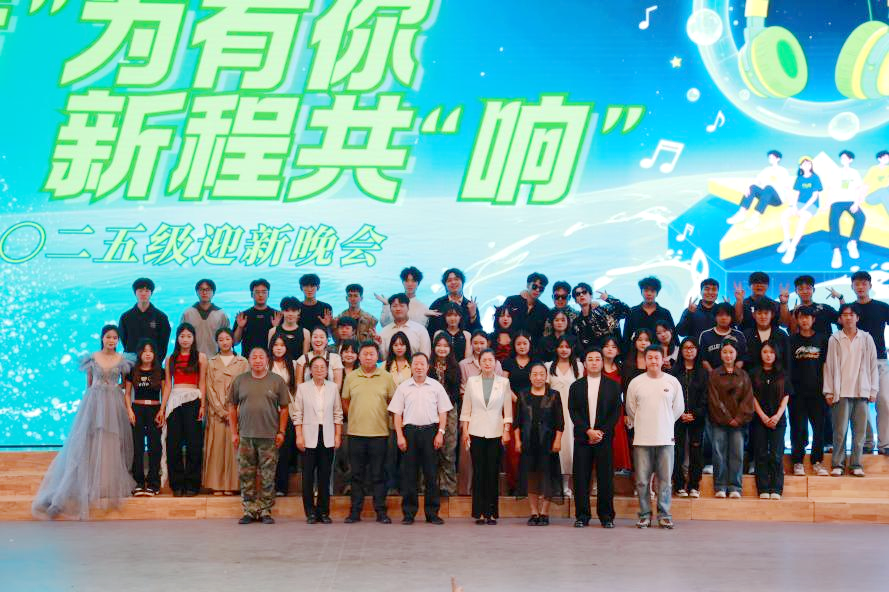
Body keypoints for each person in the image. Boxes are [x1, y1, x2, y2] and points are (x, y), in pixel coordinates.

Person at [33, 325, 136, 519]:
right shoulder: (92, 358)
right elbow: (89, 385)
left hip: (114, 404)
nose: (111, 340)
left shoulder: (123, 360)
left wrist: (121, 399)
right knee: (90, 441)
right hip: (94, 403)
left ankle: (106, 484)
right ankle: (88, 484)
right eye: (108, 337)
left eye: (115, 337)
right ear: (102, 338)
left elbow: (125, 385)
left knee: (111, 441)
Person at [229, 347, 290, 524]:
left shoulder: (277, 381)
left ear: (267, 360)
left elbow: (284, 408)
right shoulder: (240, 380)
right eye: (254, 357)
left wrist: (281, 431)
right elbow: (232, 407)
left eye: (261, 357)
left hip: (269, 436)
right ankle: (249, 510)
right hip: (245, 436)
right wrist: (234, 433)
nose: (257, 360)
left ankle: (265, 510)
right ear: (248, 360)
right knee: (246, 475)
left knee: (268, 476)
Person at [389, 353, 452, 524]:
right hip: (409, 432)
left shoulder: (436, 386)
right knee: (409, 474)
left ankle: (432, 513)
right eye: (415, 364)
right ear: (411, 366)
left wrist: (440, 432)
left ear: (428, 366)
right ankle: (409, 513)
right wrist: (400, 435)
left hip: (430, 432)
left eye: (422, 364)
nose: (418, 367)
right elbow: (397, 413)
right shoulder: (403, 387)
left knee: (431, 474)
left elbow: (443, 411)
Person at [626, 346, 684, 529]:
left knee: (665, 480)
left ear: (662, 360)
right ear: (645, 360)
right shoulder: (636, 382)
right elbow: (631, 409)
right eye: (649, 357)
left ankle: (664, 515)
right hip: (642, 439)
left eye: (656, 357)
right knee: (642, 481)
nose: (653, 361)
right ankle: (644, 515)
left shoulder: (672, 382)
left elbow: (678, 408)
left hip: (666, 439)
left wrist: (665, 422)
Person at [342, 343, 397, 523]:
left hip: (379, 434)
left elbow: (393, 402)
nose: (368, 357)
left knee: (378, 474)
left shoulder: (386, 377)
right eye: (365, 354)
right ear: (359, 356)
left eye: (371, 354)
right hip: (356, 433)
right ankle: (355, 512)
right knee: (356, 475)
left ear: (377, 357)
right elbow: (345, 401)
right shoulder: (351, 377)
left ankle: (381, 511)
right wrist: (355, 415)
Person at [569, 349, 621, 528]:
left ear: (602, 362)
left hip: (604, 438)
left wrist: (600, 432)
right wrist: (587, 431)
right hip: (582, 438)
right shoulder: (576, 386)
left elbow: (615, 412)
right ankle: (582, 515)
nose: (593, 362)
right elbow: (573, 411)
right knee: (581, 477)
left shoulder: (613, 386)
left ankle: (606, 516)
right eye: (590, 359)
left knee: (605, 478)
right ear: (584, 363)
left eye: (597, 359)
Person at [825, 304, 879, 476]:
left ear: (857, 318)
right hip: (841, 392)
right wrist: (829, 391)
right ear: (840, 319)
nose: (848, 317)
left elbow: (873, 366)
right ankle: (838, 464)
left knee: (860, 432)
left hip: (861, 391)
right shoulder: (835, 338)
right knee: (840, 431)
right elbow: (829, 366)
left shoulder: (866, 338)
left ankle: (856, 464)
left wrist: (873, 390)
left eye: (852, 314)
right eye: (845, 315)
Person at [461, 349, 513, 525]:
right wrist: (465, 430)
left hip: (496, 432)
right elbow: (466, 408)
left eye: (491, 360)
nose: (487, 363)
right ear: (479, 363)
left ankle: (491, 513)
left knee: (492, 472)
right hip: (475, 431)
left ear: (495, 363)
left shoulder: (503, 382)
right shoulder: (472, 381)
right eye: (484, 360)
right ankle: (479, 513)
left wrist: (506, 429)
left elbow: (508, 410)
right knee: (479, 472)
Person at [294, 356, 343, 523]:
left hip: (327, 435)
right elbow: (298, 414)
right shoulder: (303, 388)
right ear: (310, 370)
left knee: (324, 476)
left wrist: (337, 435)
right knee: (308, 476)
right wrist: (299, 435)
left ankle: (323, 512)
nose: (319, 370)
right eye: (316, 367)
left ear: (327, 370)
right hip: (308, 435)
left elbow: (338, 413)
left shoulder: (333, 387)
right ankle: (310, 512)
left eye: (323, 367)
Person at [160, 323, 207, 497]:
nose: (185, 339)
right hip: (174, 402)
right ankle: (177, 484)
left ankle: (193, 484)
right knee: (174, 444)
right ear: (177, 338)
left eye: (189, 336)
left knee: (194, 444)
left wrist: (203, 405)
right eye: (182, 336)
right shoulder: (170, 358)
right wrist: (162, 409)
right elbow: (167, 386)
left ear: (193, 338)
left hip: (193, 400)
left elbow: (202, 383)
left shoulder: (201, 357)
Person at [515, 362, 565, 526]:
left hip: (548, 442)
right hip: (528, 442)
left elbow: (560, 422)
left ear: (546, 376)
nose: (538, 377)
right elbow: (517, 421)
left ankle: (544, 513)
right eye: (535, 374)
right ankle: (534, 512)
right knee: (531, 477)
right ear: (530, 377)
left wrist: (558, 440)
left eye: (541, 374)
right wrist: (517, 440)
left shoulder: (554, 395)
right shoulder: (523, 394)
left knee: (547, 476)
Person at [457, 330, 505, 495]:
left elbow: (500, 388)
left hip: (492, 415)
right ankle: (466, 489)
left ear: (487, 344)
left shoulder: (496, 364)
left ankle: (489, 492)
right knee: (468, 453)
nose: (478, 346)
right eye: (475, 343)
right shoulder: (464, 364)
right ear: (471, 344)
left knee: (491, 458)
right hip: (471, 411)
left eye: (482, 343)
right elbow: (463, 390)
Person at [203, 328, 248, 494]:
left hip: (236, 412)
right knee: (216, 449)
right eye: (221, 339)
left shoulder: (242, 362)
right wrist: (221, 411)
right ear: (217, 342)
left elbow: (245, 387)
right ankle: (216, 485)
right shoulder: (211, 362)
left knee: (233, 449)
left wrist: (234, 411)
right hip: (217, 414)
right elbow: (209, 388)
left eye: (227, 338)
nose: (224, 342)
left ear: (233, 341)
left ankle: (232, 485)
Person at [707, 340, 754, 498]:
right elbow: (714, 400)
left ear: (736, 354)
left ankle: (735, 487)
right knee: (718, 453)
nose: (728, 355)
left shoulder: (743, 375)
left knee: (737, 454)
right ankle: (720, 486)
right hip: (719, 421)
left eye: (731, 352)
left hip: (738, 423)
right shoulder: (714, 374)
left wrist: (738, 418)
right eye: (725, 352)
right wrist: (728, 418)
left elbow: (747, 399)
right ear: (720, 354)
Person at [850, 271, 889, 456]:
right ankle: (866, 442)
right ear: (852, 287)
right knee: (860, 404)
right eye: (857, 284)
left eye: (864, 283)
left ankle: (885, 443)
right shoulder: (850, 309)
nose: (860, 287)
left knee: (885, 402)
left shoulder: (882, 307)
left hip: (880, 360)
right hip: (856, 362)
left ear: (870, 286)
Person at [789, 306, 830, 477]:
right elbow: (788, 367)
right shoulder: (791, 340)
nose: (804, 320)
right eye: (801, 317)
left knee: (819, 428)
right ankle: (797, 461)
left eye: (808, 317)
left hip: (818, 393)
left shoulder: (822, 339)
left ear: (813, 320)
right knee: (798, 428)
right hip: (796, 393)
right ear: (797, 320)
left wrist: (828, 390)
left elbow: (827, 366)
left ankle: (817, 461)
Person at [750, 341, 789, 499]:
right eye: (765, 352)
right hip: (759, 419)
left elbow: (786, 395)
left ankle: (776, 489)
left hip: (778, 420)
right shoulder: (754, 373)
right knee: (760, 454)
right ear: (760, 353)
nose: (768, 355)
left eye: (771, 352)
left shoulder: (782, 373)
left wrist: (777, 415)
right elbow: (752, 396)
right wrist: (763, 416)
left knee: (776, 455)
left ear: (776, 354)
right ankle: (763, 488)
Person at [125, 339, 164, 496]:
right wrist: (129, 410)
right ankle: (139, 483)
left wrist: (162, 410)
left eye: (151, 351)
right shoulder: (132, 371)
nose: (148, 354)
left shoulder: (160, 371)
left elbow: (165, 392)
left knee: (155, 447)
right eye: (144, 351)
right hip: (137, 410)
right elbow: (127, 394)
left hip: (155, 410)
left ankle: (153, 483)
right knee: (138, 447)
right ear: (139, 353)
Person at [545, 336, 583, 492]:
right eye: (561, 346)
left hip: (573, 412)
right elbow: (545, 392)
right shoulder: (548, 366)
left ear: (572, 348)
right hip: (553, 413)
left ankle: (567, 486)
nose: (564, 349)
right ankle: (554, 486)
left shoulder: (579, 366)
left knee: (570, 448)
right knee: (554, 447)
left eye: (567, 346)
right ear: (556, 348)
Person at [670, 338, 708, 498]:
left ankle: (694, 485)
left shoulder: (703, 372)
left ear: (697, 350)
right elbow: (670, 396)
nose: (689, 351)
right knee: (677, 451)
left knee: (696, 452)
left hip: (697, 418)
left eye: (692, 348)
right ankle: (678, 485)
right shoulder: (674, 372)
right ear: (681, 351)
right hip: (677, 417)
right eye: (686, 348)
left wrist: (694, 414)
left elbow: (706, 397)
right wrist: (679, 413)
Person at [429, 334, 461, 497]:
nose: (442, 349)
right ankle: (430, 485)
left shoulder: (455, 367)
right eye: (439, 345)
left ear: (450, 348)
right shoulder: (428, 367)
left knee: (448, 450)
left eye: (445, 346)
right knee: (430, 450)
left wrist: (444, 405)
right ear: (434, 347)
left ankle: (448, 487)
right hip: (429, 411)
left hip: (449, 411)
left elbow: (456, 393)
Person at [726, 149, 791, 227]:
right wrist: (748, 187)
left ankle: (755, 218)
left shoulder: (783, 171)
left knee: (769, 187)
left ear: (778, 159)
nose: (770, 159)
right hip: (766, 196)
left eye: (773, 158)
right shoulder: (766, 170)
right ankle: (741, 214)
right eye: (769, 158)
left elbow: (787, 187)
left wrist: (791, 204)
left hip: (777, 199)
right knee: (752, 187)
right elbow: (756, 181)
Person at [269, 333, 298, 497]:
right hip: (269, 409)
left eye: (282, 345)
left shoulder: (293, 364)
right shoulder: (266, 363)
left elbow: (296, 388)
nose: (279, 348)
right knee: (269, 449)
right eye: (276, 345)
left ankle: (281, 487)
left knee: (285, 448)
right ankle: (267, 486)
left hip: (288, 409)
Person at [383, 331, 412, 494]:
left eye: (402, 344)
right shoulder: (384, 366)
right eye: (395, 344)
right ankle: (391, 486)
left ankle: (406, 487)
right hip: (390, 416)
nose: (399, 347)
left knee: (407, 454)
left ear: (407, 346)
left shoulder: (413, 365)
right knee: (391, 453)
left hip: (409, 416)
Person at [119, 277, 171, 361]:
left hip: (153, 361)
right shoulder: (126, 317)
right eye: (140, 291)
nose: (143, 294)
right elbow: (124, 340)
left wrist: (157, 361)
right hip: (131, 361)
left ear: (151, 293)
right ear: (135, 293)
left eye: (147, 291)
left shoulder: (161, 317)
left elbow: (163, 343)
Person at [829, 150, 865, 269]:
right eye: (841, 158)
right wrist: (829, 202)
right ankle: (837, 251)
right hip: (837, 201)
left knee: (861, 217)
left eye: (845, 158)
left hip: (851, 201)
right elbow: (832, 189)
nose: (843, 160)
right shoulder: (836, 172)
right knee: (833, 220)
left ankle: (852, 242)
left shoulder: (855, 173)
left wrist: (856, 203)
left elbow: (858, 189)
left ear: (851, 160)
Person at [602, 337, 633, 475]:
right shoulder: (595, 366)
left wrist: (626, 413)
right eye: (607, 346)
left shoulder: (622, 368)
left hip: (616, 409)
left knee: (616, 439)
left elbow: (626, 391)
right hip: (598, 408)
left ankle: (615, 471)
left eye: (613, 347)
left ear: (618, 351)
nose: (610, 349)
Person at [333, 339, 359, 494]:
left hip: (355, 420)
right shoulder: (335, 371)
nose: (349, 355)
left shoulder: (361, 372)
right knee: (337, 455)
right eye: (346, 351)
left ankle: (349, 486)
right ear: (340, 354)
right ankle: (337, 487)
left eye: (353, 352)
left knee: (351, 454)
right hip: (336, 419)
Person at [622, 276, 675, 351]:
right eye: (646, 290)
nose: (649, 294)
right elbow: (626, 336)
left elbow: (673, 336)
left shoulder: (665, 313)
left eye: (652, 291)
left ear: (657, 293)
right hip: (636, 353)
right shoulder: (632, 312)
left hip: (659, 354)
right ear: (641, 292)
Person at [180, 279, 230, 357]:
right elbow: (181, 337)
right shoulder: (187, 313)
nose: (204, 292)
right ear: (197, 292)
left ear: (213, 292)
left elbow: (228, 338)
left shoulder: (221, 314)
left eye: (208, 290)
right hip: (192, 358)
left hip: (215, 358)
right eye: (201, 289)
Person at [571, 284, 629, 351]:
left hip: (615, 353)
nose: (581, 295)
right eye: (578, 294)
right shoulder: (577, 322)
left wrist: (609, 298)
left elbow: (627, 311)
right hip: (593, 356)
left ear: (591, 296)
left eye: (584, 292)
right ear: (575, 300)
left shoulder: (606, 310)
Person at [743, 298, 792, 374]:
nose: (763, 316)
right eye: (759, 313)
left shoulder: (781, 335)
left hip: (777, 378)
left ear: (772, 315)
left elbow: (787, 361)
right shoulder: (746, 335)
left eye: (766, 313)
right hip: (752, 378)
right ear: (754, 315)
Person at [428, 268, 482, 337]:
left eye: (456, 279)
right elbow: (430, 330)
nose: (453, 282)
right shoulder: (438, 304)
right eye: (449, 280)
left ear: (462, 282)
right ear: (445, 285)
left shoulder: (470, 305)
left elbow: (478, 334)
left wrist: (473, 316)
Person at [503, 272, 551, 344]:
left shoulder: (544, 310)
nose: (537, 290)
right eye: (534, 286)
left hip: (532, 348)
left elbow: (542, 335)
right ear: (528, 285)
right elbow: (500, 321)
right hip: (508, 345)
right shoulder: (511, 301)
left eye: (541, 288)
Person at [378, 293, 431, 359]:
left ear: (408, 308)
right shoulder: (384, 331)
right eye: (394, 306)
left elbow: (425, 356)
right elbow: (383, 358)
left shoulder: (420, 330)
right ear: (390, 309)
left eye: (401, 306)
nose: (398, 309)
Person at [234, 279, 278, 356]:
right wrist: (240, 327)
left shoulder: (276, 315)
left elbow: (283, 342)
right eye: (257, 292)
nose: (260, 295)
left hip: (271, 359)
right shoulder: (243, 316)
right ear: (251, 294)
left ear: (268, 294)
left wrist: (277, 327)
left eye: (264, 292)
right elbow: (235, 342)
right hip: (248, 359)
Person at [698, 303, 747, 371]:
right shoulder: (705, 335)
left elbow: (741, 359)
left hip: (734, 375)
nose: (724, 318)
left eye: (727, 315)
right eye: (720, 315)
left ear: (731, 317)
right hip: (711, 374)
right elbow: (703, 359)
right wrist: (713, 374)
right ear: (715, 317)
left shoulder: (739, 335)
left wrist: (732, 373)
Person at [271, 297, 310, 361]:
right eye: (287, 311)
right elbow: (271, 355)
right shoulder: (273, 331)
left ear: (299, 311)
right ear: (282, 311)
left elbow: (304, 359)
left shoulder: (305, 333)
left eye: (293, 311)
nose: (290, 314)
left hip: (298, 366)